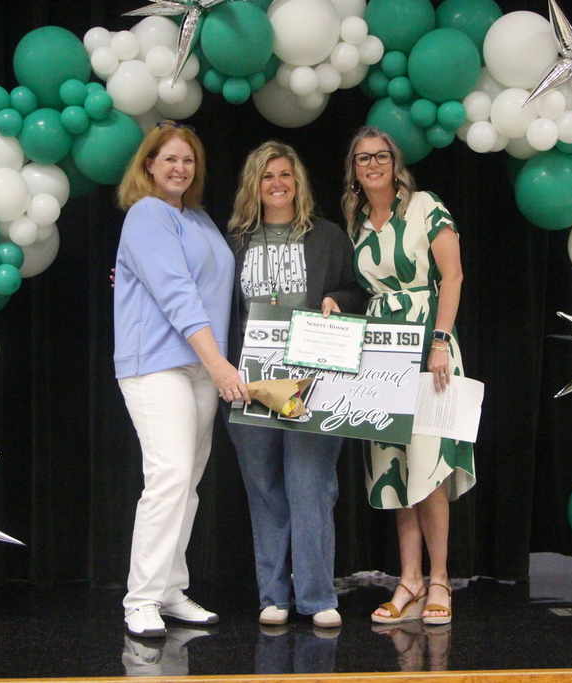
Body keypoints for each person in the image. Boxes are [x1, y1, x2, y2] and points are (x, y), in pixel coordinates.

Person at [113, 121, 250, 639]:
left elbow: (211, 285)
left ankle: (170, 587)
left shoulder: (196, 218)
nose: (179, 168)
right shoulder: (147, 213)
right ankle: (141, 599)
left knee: (187, 482)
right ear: (148, 164)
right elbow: (176, 293)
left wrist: (212, 363)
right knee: (168, 476)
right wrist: (220, 365)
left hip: (198, 364)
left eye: (188, 161)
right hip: (157, 363)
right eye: (168, 159)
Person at [225, 141, 365, 629]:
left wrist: (336, 301)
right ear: (254, 185)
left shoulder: (327, 237)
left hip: (314, 382)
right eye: (267, 176)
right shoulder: (235, 240)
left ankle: (317, 596)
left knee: (311, 487)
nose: (277, 184)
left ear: (298, 181)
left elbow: (355, 290)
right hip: (251, 383)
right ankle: (273, 596)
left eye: (285, 174)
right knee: (264, 489)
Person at [341, 126, 475, 627]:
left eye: (380, 156)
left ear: (395, 162)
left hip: (429, 344)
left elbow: (453, 276)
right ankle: (410, 580)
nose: (372, 164)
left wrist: (439, 341)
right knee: (396, 468)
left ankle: (439, 578)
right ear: (354, 170)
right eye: (362, 158)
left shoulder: (424, 205)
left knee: (429, 464)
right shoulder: (357, 221)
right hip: (381, 353)